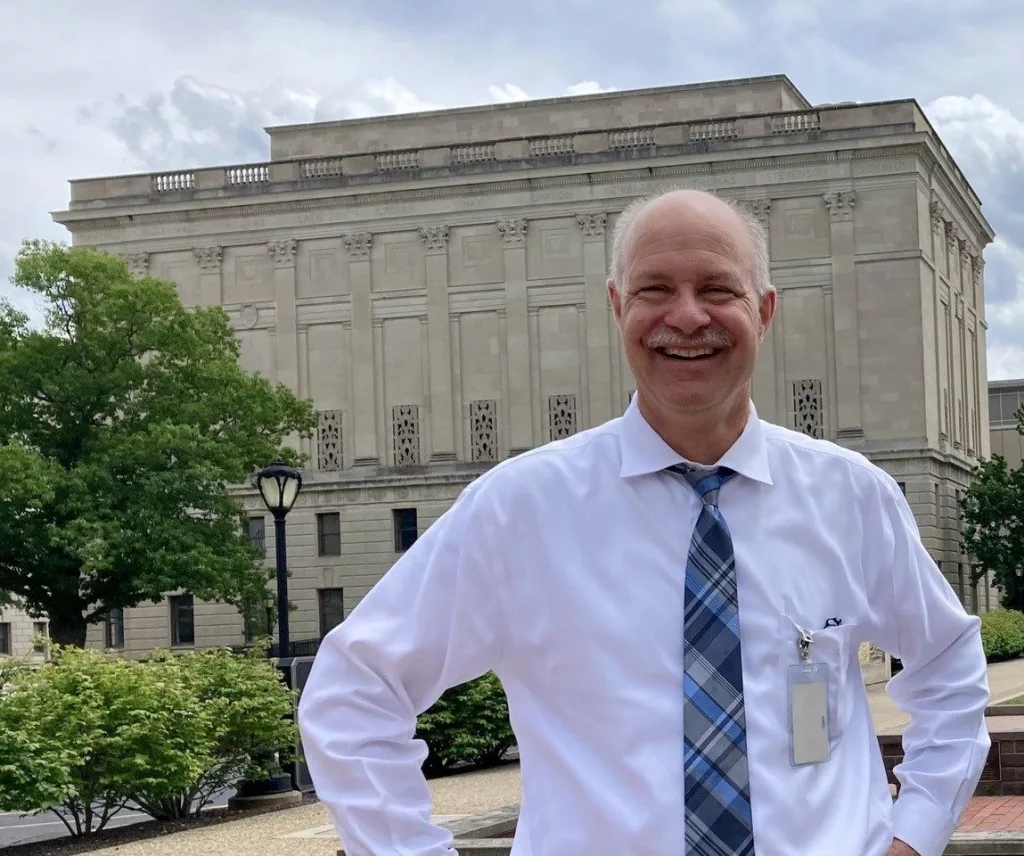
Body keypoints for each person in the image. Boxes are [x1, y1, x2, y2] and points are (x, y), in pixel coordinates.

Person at [298, 189, 990, 856]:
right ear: (617, 305)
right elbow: (355, 690)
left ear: (765, 309)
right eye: (656, 290)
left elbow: (948, 665)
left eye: (717, 289)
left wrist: (914, 834)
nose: (687, 318)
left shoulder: (851, 497)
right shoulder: (520, 509)